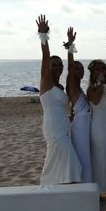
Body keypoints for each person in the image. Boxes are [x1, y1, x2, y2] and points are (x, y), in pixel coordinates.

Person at [35, 15, 81, 185]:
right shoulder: (45, 82)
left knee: (59, 160)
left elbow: (63, 109)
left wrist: (70, 45)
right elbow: (45, 56)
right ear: (48, 67)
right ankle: (50, 185)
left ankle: (54, 186)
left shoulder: (61, 88)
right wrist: (43, 35)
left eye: (59, 65)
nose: (57, 67)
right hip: (53, 128)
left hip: (62, 126)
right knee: (70, 161)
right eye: (53, 65)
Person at [65, 27, 92, 183]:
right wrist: (70, 45)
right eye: (76, 68)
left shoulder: (80, 88)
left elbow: (75, 109)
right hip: (81, 127)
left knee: (86, 156)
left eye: (81, 68)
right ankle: (84, 187)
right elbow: (69, 66)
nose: (79, 70)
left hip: (83, 124)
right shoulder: (72, 85)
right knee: (84, 158)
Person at [87, 59, 106, 197]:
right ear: (93, 73)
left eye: (103, 69)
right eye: (97, 69)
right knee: (101, 159)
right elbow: (96, 100)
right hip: (98, 128)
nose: (101, 71)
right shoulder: (91, 89)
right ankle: (101, 190)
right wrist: (101, 84)